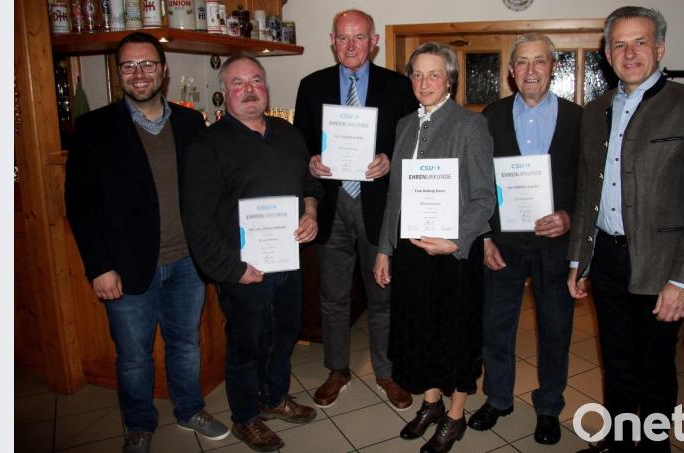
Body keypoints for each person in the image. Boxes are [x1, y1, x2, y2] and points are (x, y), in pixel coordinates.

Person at [567, 6, 684, 453]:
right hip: (607, 261)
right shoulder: (595, 111)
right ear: (606, 52)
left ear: (660, 48)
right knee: (616, 363)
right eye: (619, 44)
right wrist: (580, 258)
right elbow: (586, 191)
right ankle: (620, 442)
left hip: (663, 266)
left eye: (640, 42)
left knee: (655, 368)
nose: (629, 52)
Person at [64, 32, 229, 453]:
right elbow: (80, 205)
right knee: (134, 357)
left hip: (187, 262)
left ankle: (190, 409)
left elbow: (210, 189)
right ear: (119, 73)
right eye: (129, 66)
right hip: (126, 265)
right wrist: (98, 267)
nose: (139, 74)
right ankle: (139, 424)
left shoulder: (190, 123)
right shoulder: (94, 127)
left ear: (163, 70)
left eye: (147, 65)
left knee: (186, 344)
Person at [180, 53, 323, 453]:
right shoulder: (206, 147)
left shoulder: (287, 133)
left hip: (288, 261)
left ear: (266, 87)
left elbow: (311, 181)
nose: (249, 90)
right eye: (238, 83)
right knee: (246, 346)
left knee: (284, 335)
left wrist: (310, 210)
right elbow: (197, 221)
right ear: (223, 93)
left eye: (256, 81)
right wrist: (232, 269)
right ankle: (245, 416)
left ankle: (275, 397)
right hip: (243, 270)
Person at [374, 42, 496, 453]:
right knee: (421, 330)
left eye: (434, 74)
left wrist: (456, 239)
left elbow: (485, 198)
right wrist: (384, 249)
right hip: (411, 252)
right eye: (417, 74)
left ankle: (457, 415)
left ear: (450, 80)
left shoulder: (470, 125)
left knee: (455, 335)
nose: (424, 82)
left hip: (454, 256)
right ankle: (430, 403)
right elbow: (394, 196)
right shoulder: (406, 125)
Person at [293, 8, 418, 410]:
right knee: (332, 297)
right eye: (342, 38)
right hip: (331, 207)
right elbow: (301, 148)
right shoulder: (311, 87)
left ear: (374, 40)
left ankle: (386, 371)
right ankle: (337, 369)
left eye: (359, 37)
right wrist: (311, 161)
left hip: (379, 207)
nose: (350, 45)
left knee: (384, 295)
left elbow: (414, 147)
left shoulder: (399, 87)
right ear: (332, 41)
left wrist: (390, 161)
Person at [468, 33, 582, 445]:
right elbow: (478, 183)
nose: (531, 70)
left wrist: (569, 217)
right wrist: (483, 237)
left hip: (557, 246)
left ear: (553, 67)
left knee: (556, 329)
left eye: (540, 62)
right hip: (504, 244)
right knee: (496, 327)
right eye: (522, 62)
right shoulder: (490, 117)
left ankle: (549, 406)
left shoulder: (577, 118)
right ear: (511, 71)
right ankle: (498, 399)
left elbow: (587, 183)